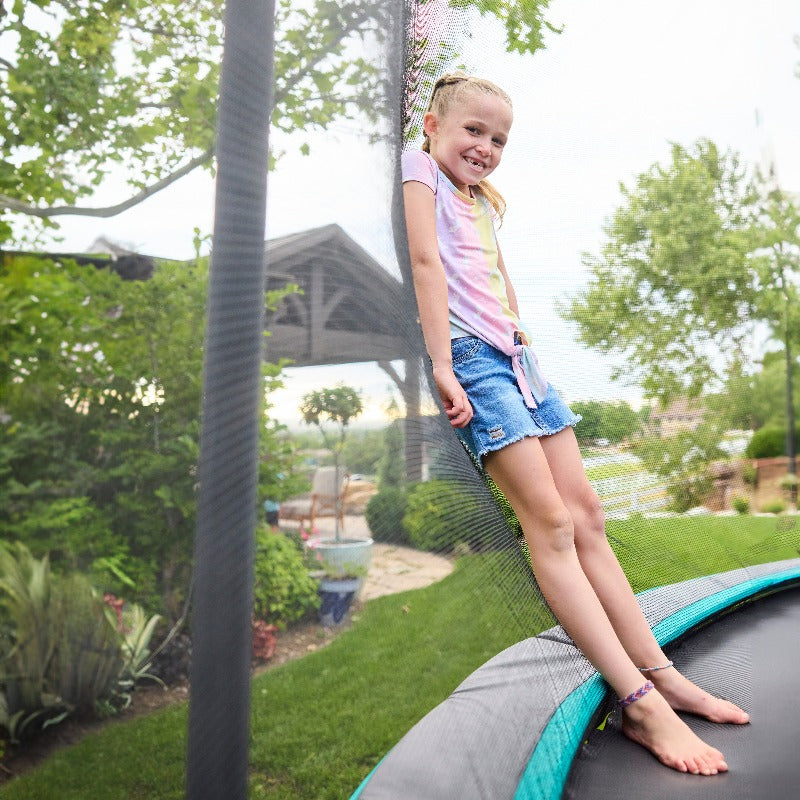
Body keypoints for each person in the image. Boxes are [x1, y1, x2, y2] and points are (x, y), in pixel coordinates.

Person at [401, 72, 749, 776]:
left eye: (499, 139)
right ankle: (640, 704)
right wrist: (441, 363)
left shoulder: (479, 199)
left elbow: (498, 279)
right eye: (473, 130)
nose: (486, 146)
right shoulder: (418, 170)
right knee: (551, 526)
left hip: (517, 359)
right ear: (433, 126)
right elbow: (425, 264)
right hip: (471, 361)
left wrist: (526, 347)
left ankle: (661, 672)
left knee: (587, 513)